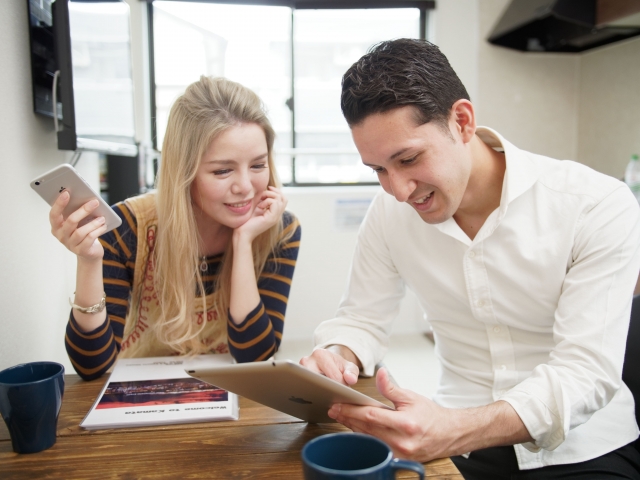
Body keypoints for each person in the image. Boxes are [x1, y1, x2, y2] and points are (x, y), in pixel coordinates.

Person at [300, 39, 640, 478]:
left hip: (586, 447)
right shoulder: (388, 214)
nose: (399, 190)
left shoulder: (596, 204)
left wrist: (454, 429)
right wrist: (337, 352)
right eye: (379, 170)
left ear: (461, 121)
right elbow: (361, 319)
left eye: (408, 159)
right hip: (456, 445)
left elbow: (586, 373)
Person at [51, 76, 301, 381]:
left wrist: (244, 240)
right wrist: (90, 260)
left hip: (231, 400)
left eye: (258, 165)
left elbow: (255, 357)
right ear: (184, 171)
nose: (246, 188)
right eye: (223, 170)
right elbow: (91, 365)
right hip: (140, 399)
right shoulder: (129, 229)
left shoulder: (280, 230)